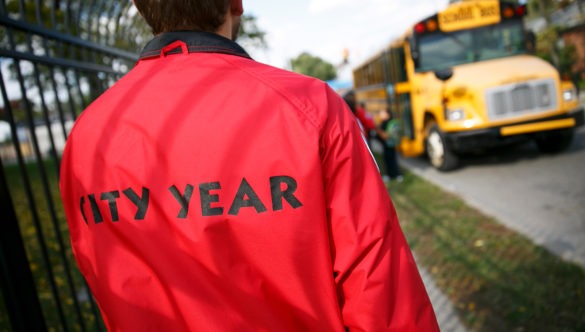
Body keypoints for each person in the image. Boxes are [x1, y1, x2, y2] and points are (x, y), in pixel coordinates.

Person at [59, 1, 439, 331]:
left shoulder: (89, 135)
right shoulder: (309, 106)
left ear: (140, 7)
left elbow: (106, 281)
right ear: (236, 2)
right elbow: (375, 280)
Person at [378, 108, 403, 182]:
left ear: (387, 114)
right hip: (388, 144)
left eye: (382, 113)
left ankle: (396, 174)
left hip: (389, 144)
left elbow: (385, 136)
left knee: (391, 160)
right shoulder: (386, 122)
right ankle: (391, 174)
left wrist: (377, 130)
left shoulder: (388, 123)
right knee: (389, 159)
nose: (380, 115)